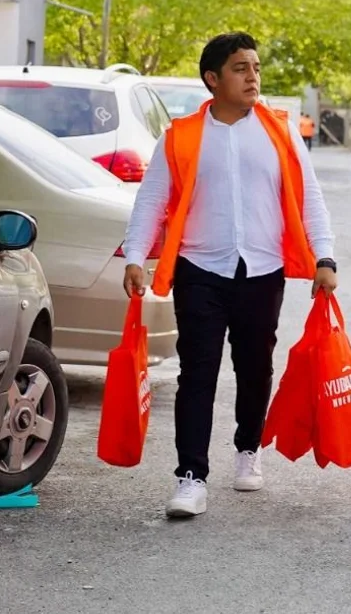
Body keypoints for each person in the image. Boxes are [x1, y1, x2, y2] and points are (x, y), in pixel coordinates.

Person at [121, 31, 338, 519]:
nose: (253, 77)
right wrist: (136, 255)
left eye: (256, 67)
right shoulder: (180, 136)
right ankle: (191, 477)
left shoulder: (280, 133)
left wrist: (325, 258)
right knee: (197, 372)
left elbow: (311, 199)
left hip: (263, 269)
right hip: (201, 268)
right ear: (212, 79)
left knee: (255, 366)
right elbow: (152, 201)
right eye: (241, 68)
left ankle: (248, 447)